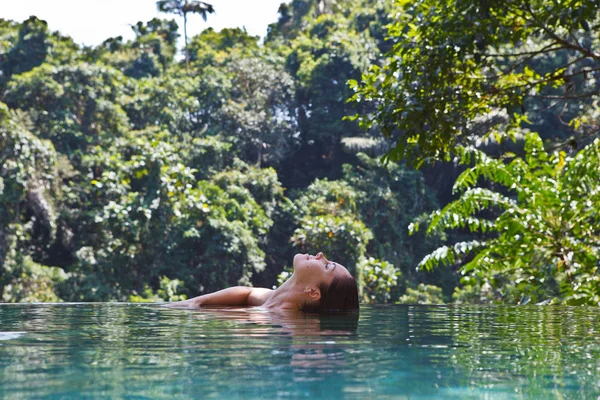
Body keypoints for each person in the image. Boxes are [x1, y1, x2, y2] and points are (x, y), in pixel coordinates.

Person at [166, 252, 359, 312]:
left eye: (327, 266)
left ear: (314, 292)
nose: (321, 255)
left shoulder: (280, 317)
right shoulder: (273, 300)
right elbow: (249, 293)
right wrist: (195, 302)